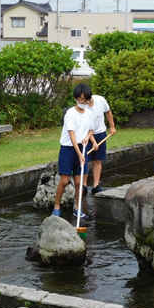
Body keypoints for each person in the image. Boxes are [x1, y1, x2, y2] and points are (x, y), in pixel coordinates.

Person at [53, 83, 94, 218]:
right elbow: (72, 136)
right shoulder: (70, 113)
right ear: (76, 98)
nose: (83, 102)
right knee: (64, 181)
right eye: (81, 99)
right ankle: (57, 207)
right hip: (69, 149)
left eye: (86, 100)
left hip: (82, 147)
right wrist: (80, 154)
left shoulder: (89, 113)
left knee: (79, 181)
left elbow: (90, 130)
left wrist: (87, 138)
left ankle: (78, 208)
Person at [82, 94, 116, 195]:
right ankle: (83, 185)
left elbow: (108, 111)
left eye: (86, 101)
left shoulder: (100, 100)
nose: (85, 103)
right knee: (85, 160)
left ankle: (96, 185)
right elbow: (87, 127)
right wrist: (93, 142)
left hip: (100, 133)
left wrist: (112, 126)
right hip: (86, 135)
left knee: (97, 160)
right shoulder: (83, 108)